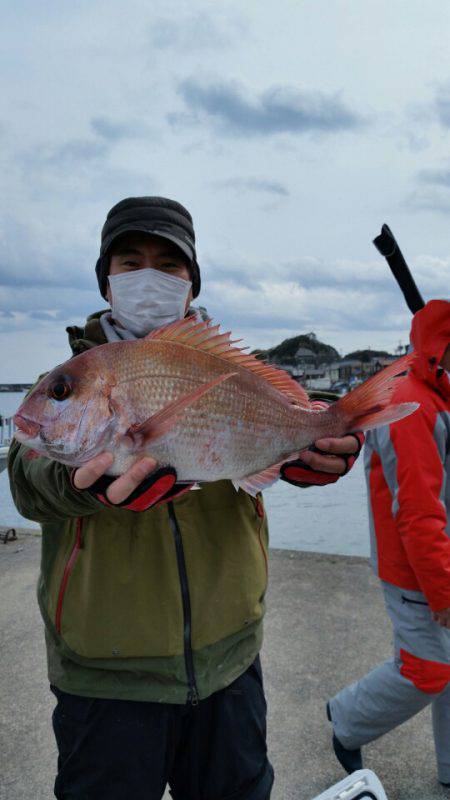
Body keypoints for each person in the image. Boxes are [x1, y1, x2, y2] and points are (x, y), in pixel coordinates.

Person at [8, 196, 363, 800]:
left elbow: (268, 432)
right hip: (103, 678)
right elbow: (26, 480)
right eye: (130, 259)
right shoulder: (73, 376)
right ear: (106, 278)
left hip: (231, 664)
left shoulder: (229, 370)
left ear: (192, 283)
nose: (149, 274)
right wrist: (76, 484)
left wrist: (311, 453)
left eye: (169, 264)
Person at [327, 299, 450, 787]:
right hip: (416, 570)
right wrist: (442, 591)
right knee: (427, 669)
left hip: (438, 561)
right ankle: (346, 721)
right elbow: (417, 511)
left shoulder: (441, 395)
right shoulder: (410, 403)